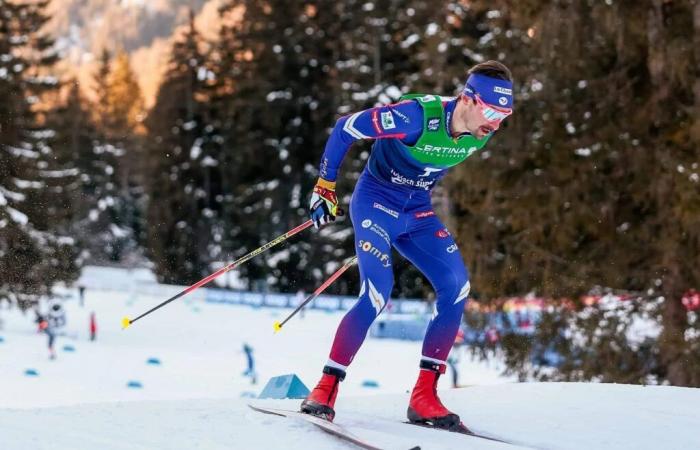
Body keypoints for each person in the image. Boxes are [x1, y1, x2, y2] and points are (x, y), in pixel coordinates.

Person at [302, 61, 513, 431]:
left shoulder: (483, 130)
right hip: (375, 204)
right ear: (467, 98)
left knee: (456, 286)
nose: (495, 124)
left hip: (416, 212)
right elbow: (346, 128)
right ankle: (326, 386)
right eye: (492, 111)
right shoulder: (415, 117)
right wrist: (325, 186)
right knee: (377, 294)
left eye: (505, 114)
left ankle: (424, 397)